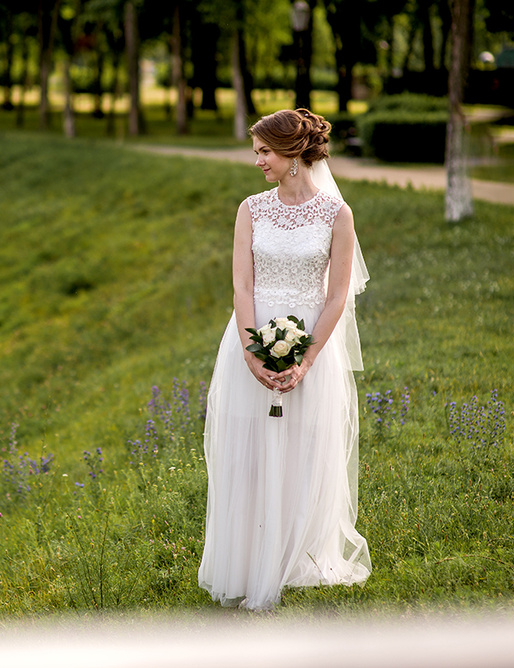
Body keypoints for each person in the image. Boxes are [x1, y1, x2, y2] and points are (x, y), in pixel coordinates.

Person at [197, 109, 371, 610]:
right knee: (250, 449)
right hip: (250, 336)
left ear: (294, 154)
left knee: (303, 448)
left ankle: (299, 555)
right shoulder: (250, 209)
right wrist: (254, 353)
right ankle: (250, 558)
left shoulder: (338, 216)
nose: (258, 162)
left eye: (265, 152)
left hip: (311, 343)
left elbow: (337, 296)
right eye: (257, 152)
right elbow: (242, 284)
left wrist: (306, 360)